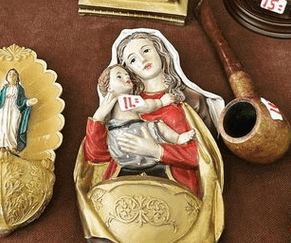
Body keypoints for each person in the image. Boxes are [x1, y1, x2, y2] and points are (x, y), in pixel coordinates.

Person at [83, 28, 224, 199]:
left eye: (147, 50)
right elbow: (97, 156)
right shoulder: (125, 106)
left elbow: (203, 156)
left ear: (161, 51)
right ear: (127, 70)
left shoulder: (190, 101)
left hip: (175, 193)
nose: (143, 60)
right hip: (124, 190)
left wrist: (156, 151)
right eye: (133, 59)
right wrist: (98, 118)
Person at [94, 63, 196, 171]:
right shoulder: (125, 100)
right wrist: (161, 102)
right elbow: (147, 105)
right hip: (133, 136)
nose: (126, 77)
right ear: (109, 87)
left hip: (119, 150)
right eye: (119, 76)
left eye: (126, 74)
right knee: (158, 126)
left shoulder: (110, 107)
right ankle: (178, 138)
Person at [0, 68, 37, 152]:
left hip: (14, 109)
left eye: (14, 74)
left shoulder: (19, 89)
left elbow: (22, 101)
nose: (11, 76)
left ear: (17, 78)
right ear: (7, 77)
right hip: (3, 109)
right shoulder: (4, 89)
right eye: (10, 74)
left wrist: (28, 102)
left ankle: (11, 144)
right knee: (1, 125)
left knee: (13, 126)